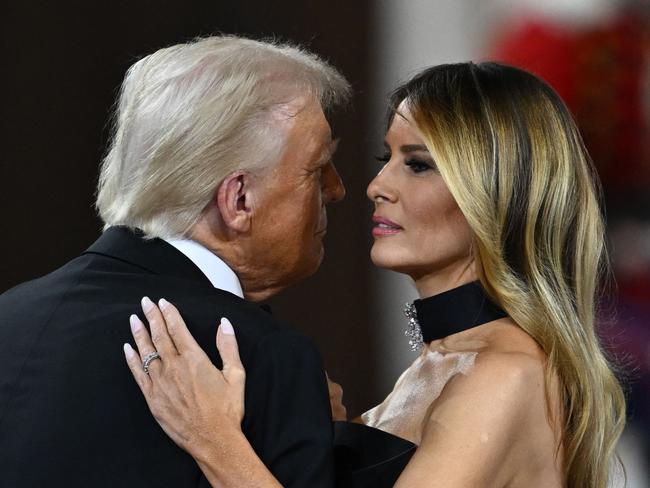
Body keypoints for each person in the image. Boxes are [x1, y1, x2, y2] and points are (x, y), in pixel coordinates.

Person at [124, 62, 627, 488]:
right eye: (387, 158)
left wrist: (214, 441)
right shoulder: (442, 363)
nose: (375, 186)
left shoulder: (506, 374)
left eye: (419, 165)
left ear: (498, 194)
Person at [0, 36, 351, 487]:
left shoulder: (8, 319)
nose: (336, 189)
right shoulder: (260, 357)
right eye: (316, 167)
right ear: (239, 199)